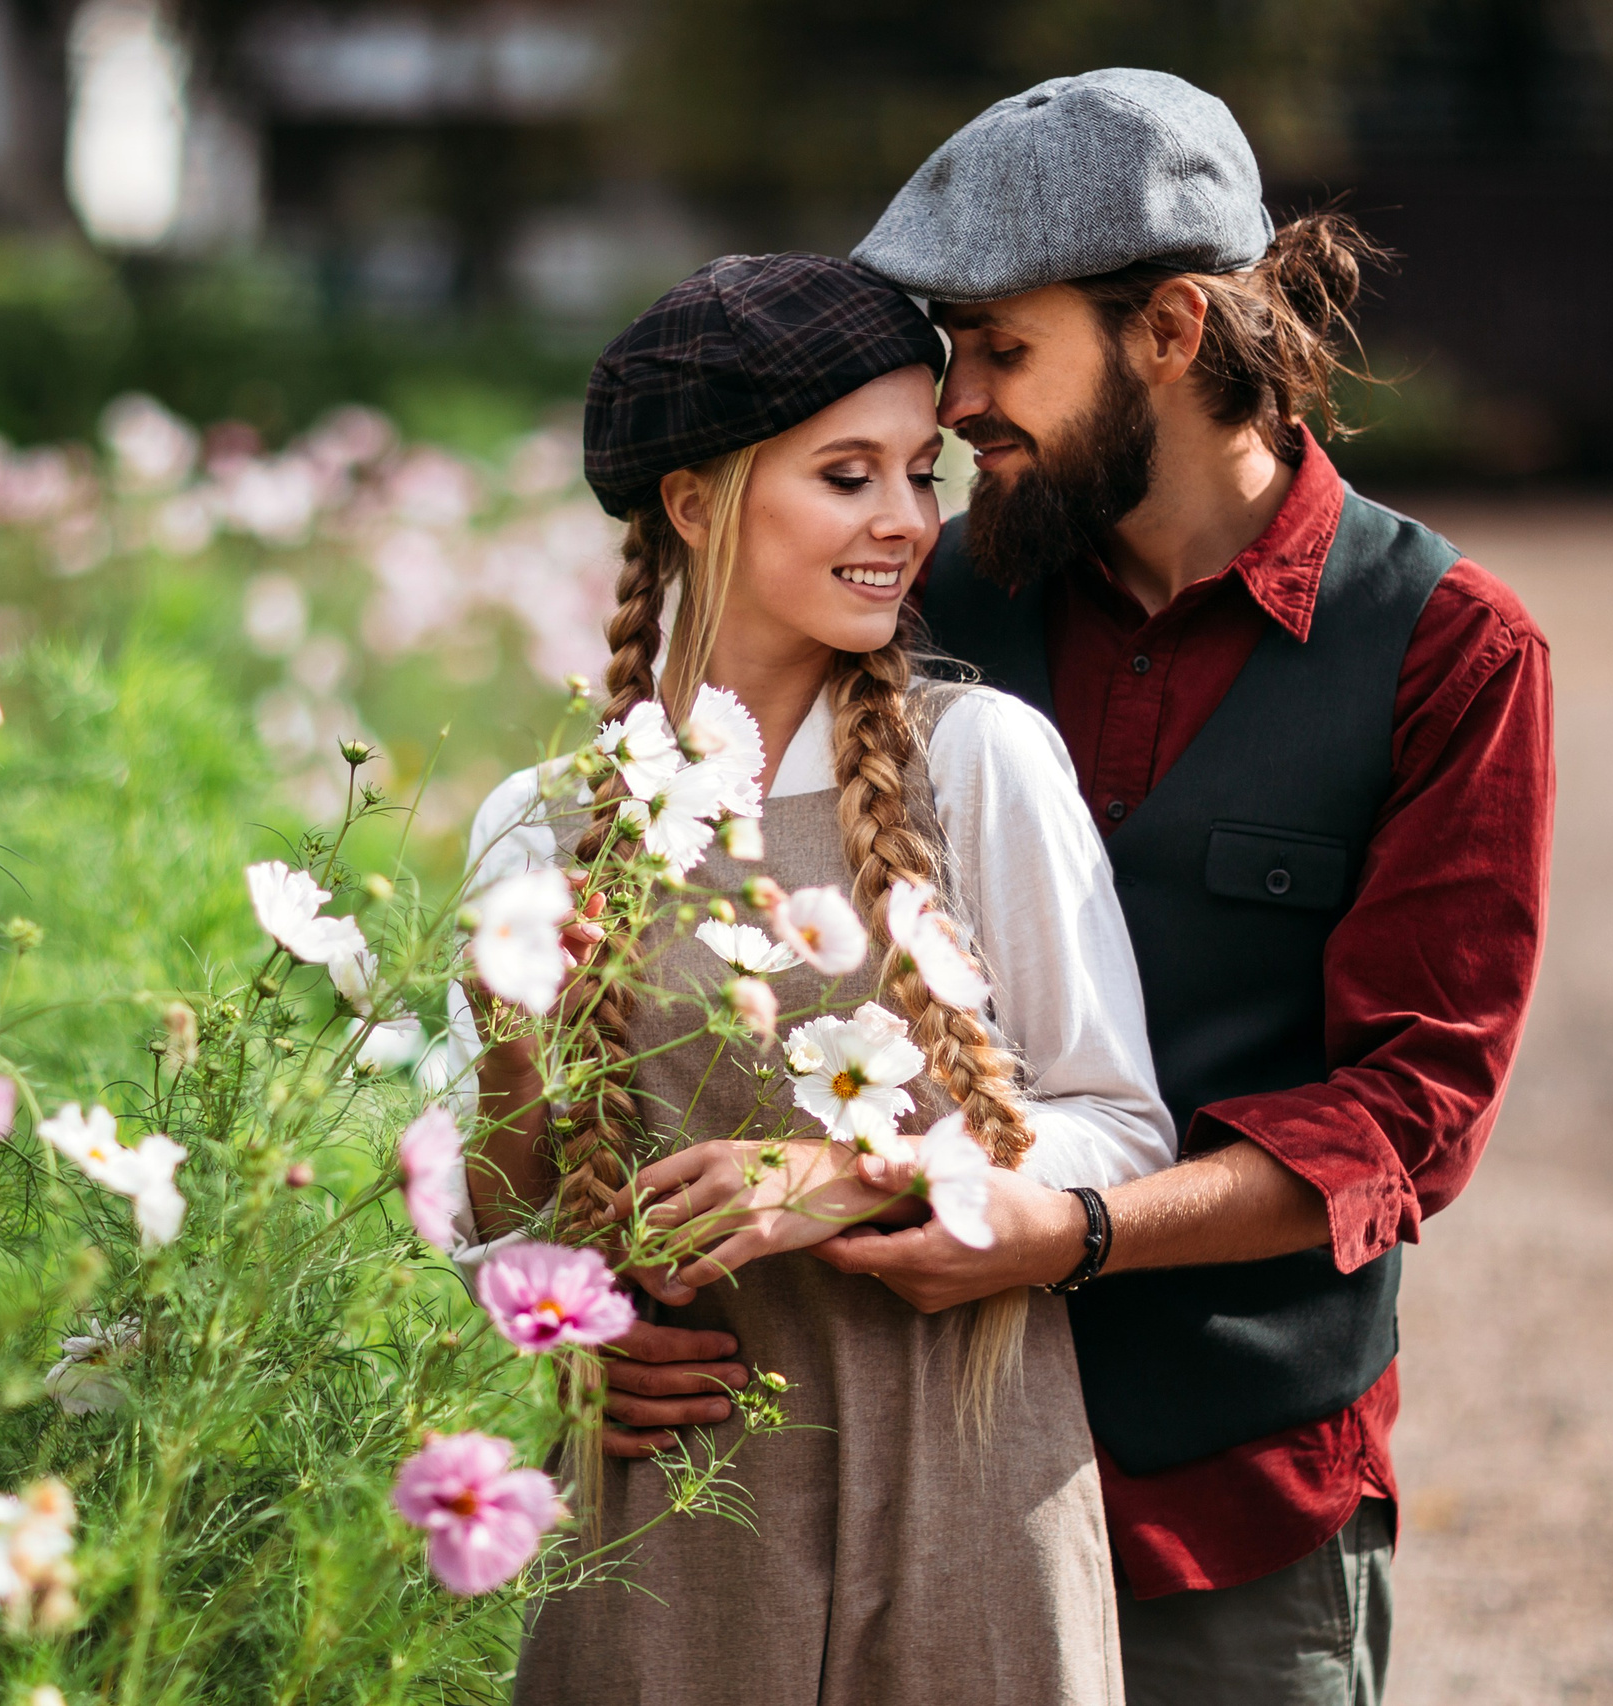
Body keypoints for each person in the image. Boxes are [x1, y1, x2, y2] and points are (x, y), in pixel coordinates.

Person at [757, 67, 1550, 1706]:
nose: (956, 399)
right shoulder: (929, 594)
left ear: (1175, 330)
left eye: (1001, 347)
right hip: (902, 1452)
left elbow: (1407, 1113)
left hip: (1232, 1504)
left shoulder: (1452, 650)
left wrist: (1075, 1228)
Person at [450, 252, 1178, 1704]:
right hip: (664, 1513)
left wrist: (859, 1165)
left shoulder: (980, 762)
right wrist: (557, 1315)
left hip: (969, 1487)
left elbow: (1118, 1124)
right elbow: (503, 1222)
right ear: (697, 500)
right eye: (849, 476)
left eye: (922, 470)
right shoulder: (536, 822)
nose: (909, 521)